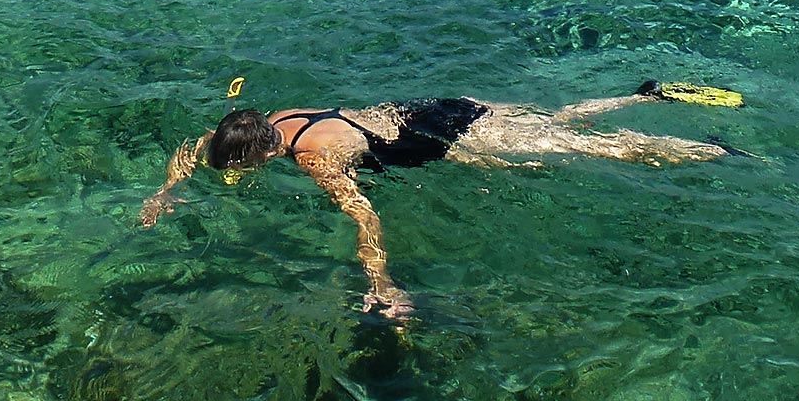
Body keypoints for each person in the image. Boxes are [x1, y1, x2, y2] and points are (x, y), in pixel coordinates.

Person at [138, 81, 745, 323]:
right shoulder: (272, 120)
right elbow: (194, 149)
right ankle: (640, 93)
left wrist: (381, 281)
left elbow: (364, 215)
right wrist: (166, 191)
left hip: (449, 138)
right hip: (436, 107)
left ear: (256, 154)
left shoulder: (314, 159)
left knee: (590, 152)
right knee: (554, 125)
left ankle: (710, 153)